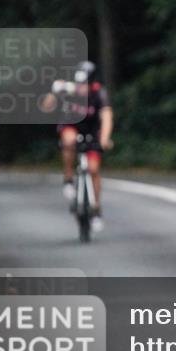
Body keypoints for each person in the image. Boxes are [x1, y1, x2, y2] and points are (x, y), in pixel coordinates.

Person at [40, 61, 114, 232]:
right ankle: (68, 179)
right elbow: (46, 106)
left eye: (85, 85)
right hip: (72, 125)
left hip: (92, 131)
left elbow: (107, 117)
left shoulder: (99, 94)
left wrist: (104, 139)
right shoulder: (68, 90)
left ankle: (95, 209)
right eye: (79, 84)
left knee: (94, 170)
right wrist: (53, 92)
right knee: (68, 141)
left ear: (92, 83)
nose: (81, 88)